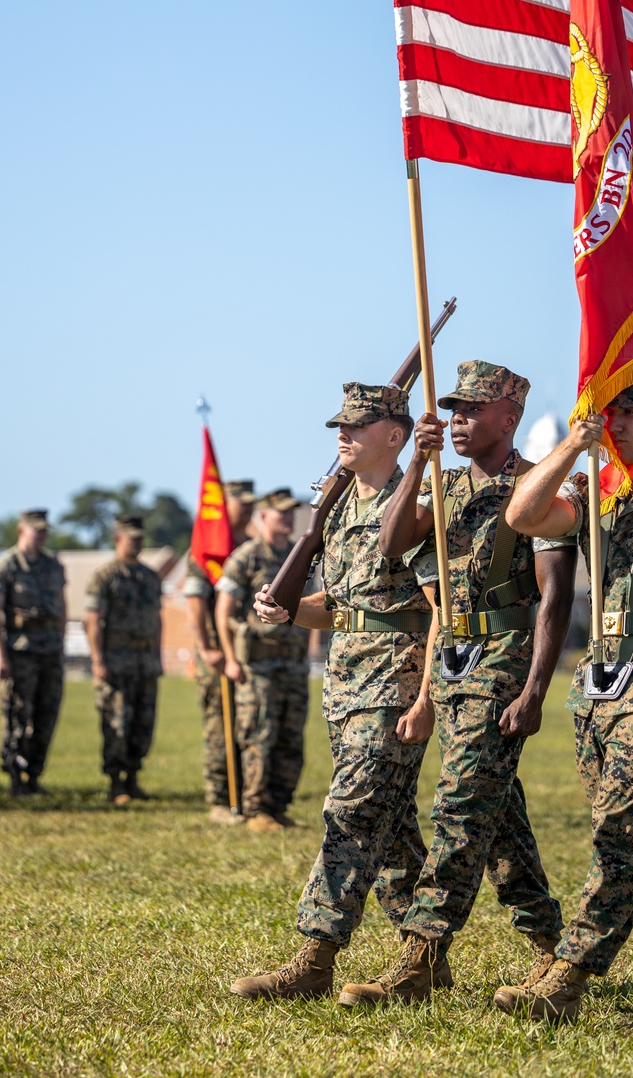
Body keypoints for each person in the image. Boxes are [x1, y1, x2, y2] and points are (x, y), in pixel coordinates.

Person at [336, 360, 576, 1008]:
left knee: (461, 807)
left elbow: (555, 599)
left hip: (503, 657)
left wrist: (533, 692)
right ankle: (556, 950)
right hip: (452, 657)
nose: (460, 420)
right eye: (455, 409)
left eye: (474, 409)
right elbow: (393, 544)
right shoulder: (441, 485)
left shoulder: (537, 488)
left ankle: (418, 960)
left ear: (510, 416)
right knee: (498, 822)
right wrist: (417, 465)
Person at [492, 364, 633, 1024]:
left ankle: (567, 976)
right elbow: (523, 515)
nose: (615, 420)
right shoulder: (600, 494)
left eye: (628, 410)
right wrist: (571, 447)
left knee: (623, 834)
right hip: (600, 684)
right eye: (608, 409)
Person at [231, 382, 436, 1001]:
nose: (342, 436)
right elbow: (343, 609)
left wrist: (427, 697)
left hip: (395, 683)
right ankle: (423, 960)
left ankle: (314, 959)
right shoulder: (342, 509)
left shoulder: (418, 504)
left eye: (356, 426)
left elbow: (439, 609)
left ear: (395, 436)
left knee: (349, 814)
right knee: (392, 827)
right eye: (339, 427)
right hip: (345, 683)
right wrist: (288, 610)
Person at [215, 489, 308, 831]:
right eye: (279, 512)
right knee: (259, 734)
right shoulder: (247, 557)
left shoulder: (300, 555)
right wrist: (230, 658)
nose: (286, 518)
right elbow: (223, 609)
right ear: (263, 517)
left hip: (293, 664)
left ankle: (278, 805)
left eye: (289, 512)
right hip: (258, 665)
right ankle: (255, 809)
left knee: (291, 737)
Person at [183, 479, 255, 824]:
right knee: (219, 725)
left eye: (251, 502)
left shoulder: (251, 545)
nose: (248, 508)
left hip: (246, 652)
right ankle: (219, 799)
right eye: (241, 502)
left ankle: (244, 793)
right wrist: (207, 647)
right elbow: (195, 601)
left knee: (248, 724)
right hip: (217, 654)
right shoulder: (206, 549)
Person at [0, 509, 66, 796]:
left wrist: (62, 643)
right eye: (36, 530)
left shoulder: (54, 565)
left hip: (50, 651)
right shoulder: (4, 566)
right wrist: (0, 654)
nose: (41, 535)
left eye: (44, 530)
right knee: (18, 714)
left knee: (47, 714)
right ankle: (15, 778)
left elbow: (62, 607)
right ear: (22, 530)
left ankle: (34, 775)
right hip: (20, 652)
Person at [84, 515, 163, 804]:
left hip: (144, 660)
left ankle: (133, 778)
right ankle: (116, 783)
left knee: (143, 722)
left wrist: (157, 655)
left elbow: (157, 620)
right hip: (116, 660)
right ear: (118, 539)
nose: (138, 543)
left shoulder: (149, 576)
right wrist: (98, 660)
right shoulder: (105, 576)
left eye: (141, 538)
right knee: (117, 722)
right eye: (132, 538)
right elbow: (93, 620)